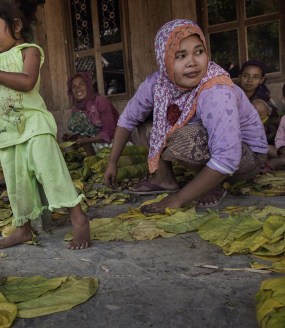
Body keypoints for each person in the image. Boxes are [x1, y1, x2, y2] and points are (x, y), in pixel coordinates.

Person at [103, 19, 268, 213]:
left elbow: (227, 157)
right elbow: (128, 119)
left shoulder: (216, 90)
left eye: (199, 52)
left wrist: (177, 200)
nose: (192, 62)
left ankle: (213, 184)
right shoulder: (158, 83)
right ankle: (164, 178)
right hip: (216, 149)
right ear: (165, 59)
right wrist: (112, 163)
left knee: (184, 137)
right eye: (180, 56)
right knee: (147, 122)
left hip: (247, 157)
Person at [0, 0, 90, 250]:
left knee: (52, 174)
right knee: (17, 184)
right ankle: (23, 228)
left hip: (34, 127)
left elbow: (27, 81)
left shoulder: (28, 51)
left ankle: (78, 218)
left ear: (16, 25)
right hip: (6, 133)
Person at [64, 71, 119, 156]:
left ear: (88, 85)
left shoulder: (100, 101)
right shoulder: (76, 109)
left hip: (113, 142)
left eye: (81, 84)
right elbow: (83, 134)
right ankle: (92, 160)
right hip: (91, 145)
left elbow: (109, 132)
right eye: (74, 86)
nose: (78, 89)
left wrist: (86, 141)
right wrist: (72, 137)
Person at [238, 60, 280, 144]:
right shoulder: (231, 94)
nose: (250, 80)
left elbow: (277, 123)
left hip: (260, 138)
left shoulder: (265, 99)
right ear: (239, 77)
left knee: (258, 106)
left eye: (256, 77)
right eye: (246, 76)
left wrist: (265, 129)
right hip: (235, 135)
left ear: (261, 80)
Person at [261, 84, 285, 173]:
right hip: (284, 153)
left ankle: (278, 162)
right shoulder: (283, 119)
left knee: (275, 160)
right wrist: (282, 148)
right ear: (284, 100)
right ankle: (280, 161)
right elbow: (279, 138)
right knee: (266, 148)